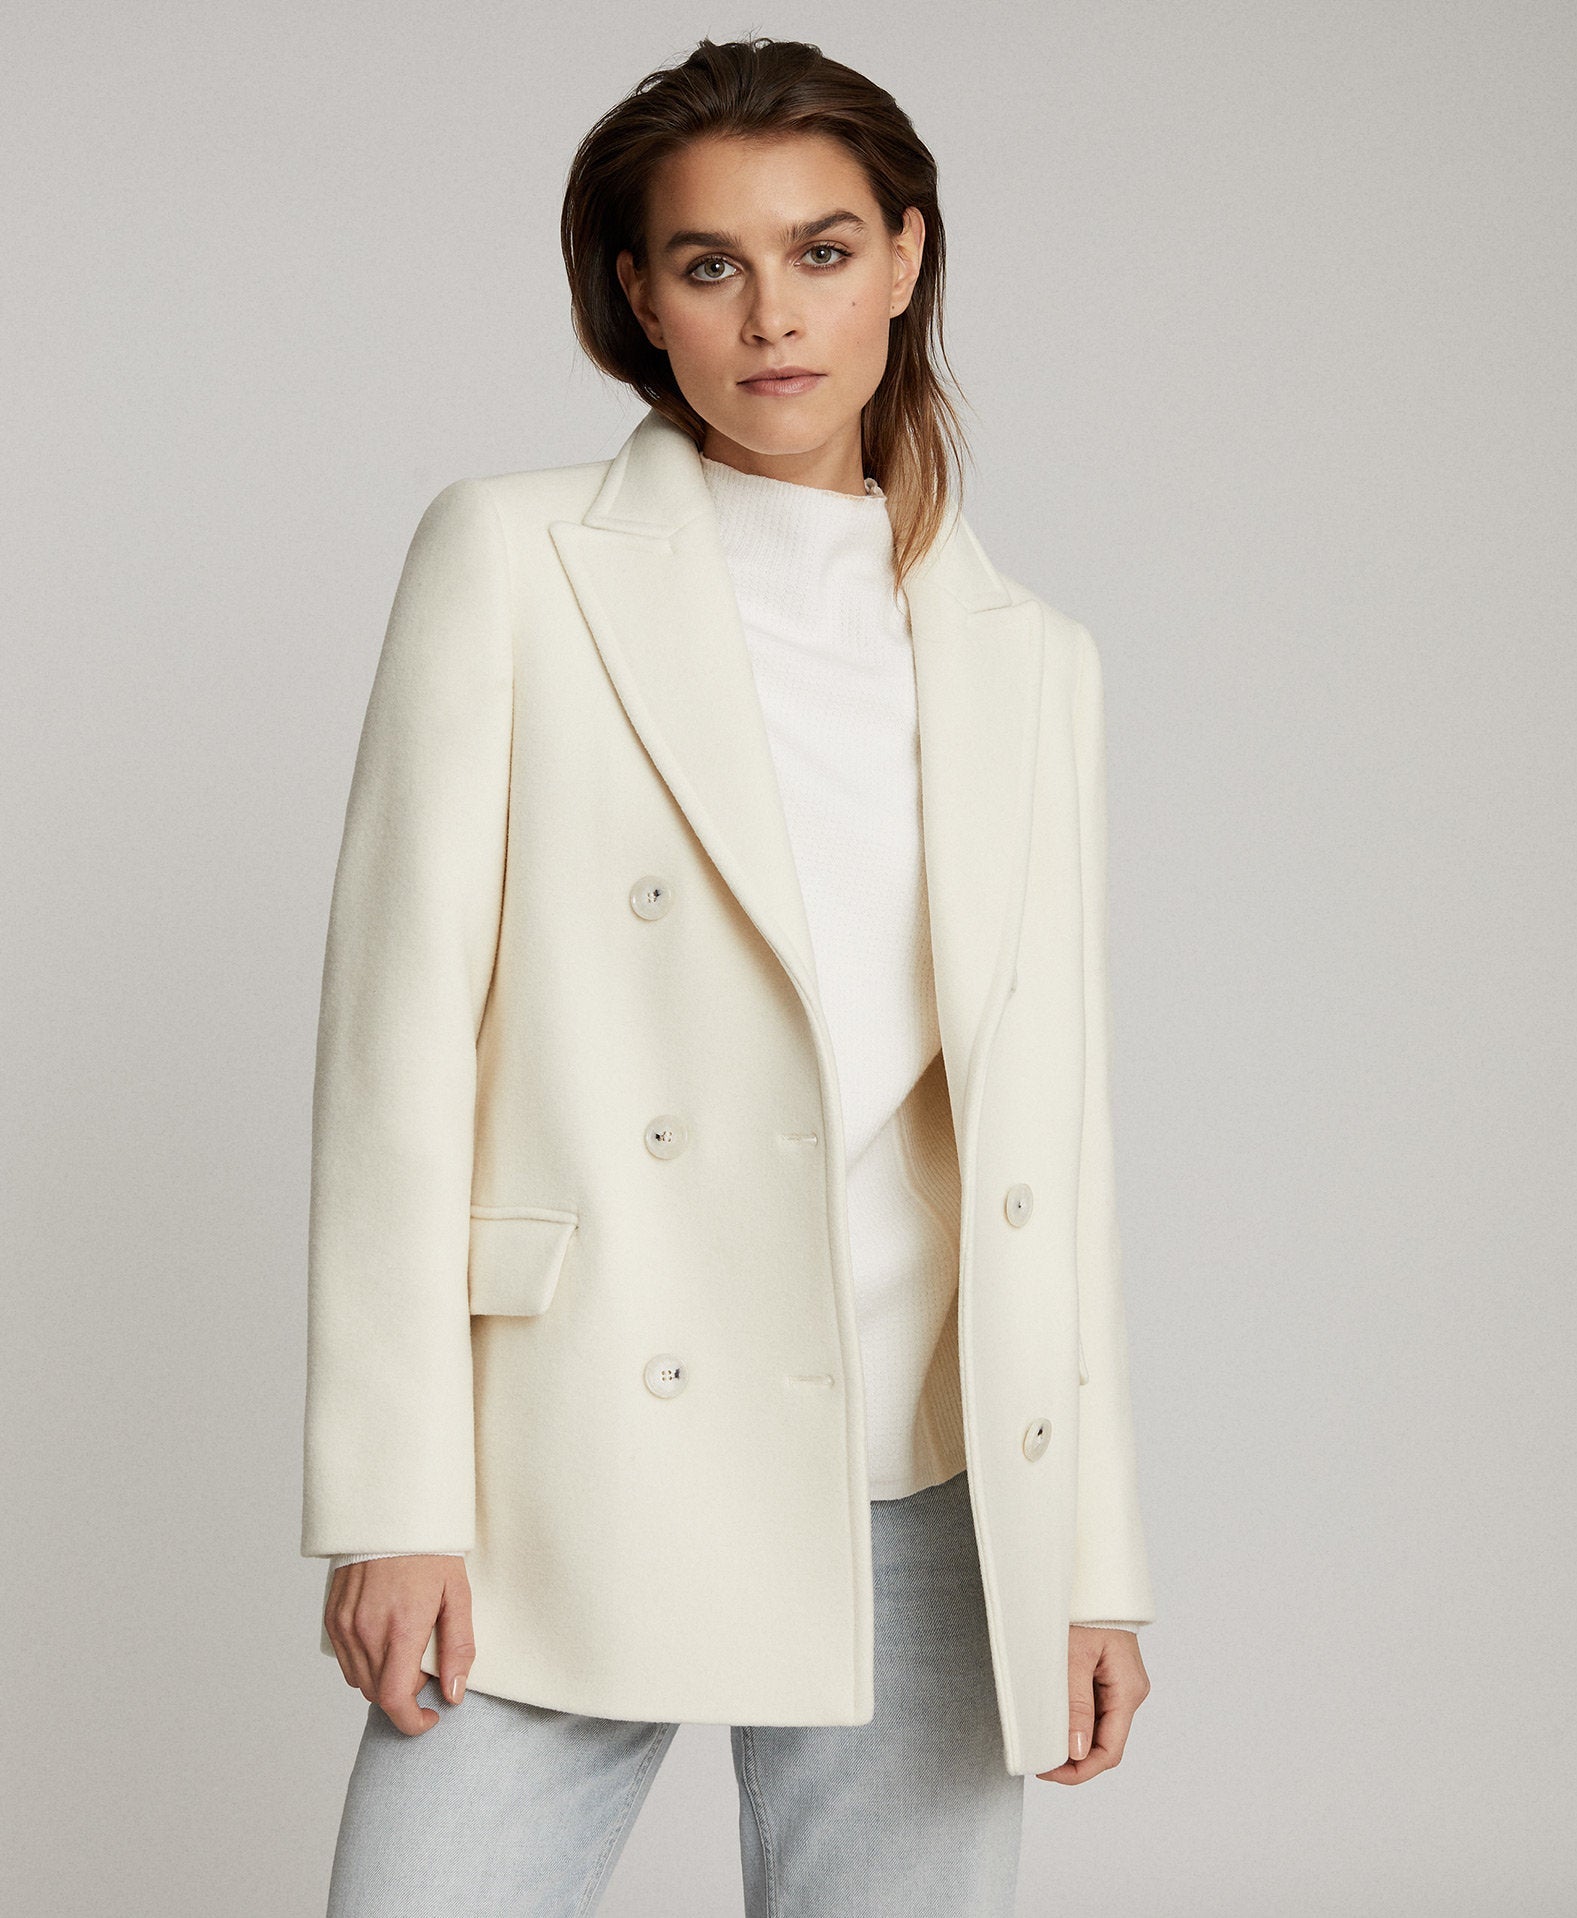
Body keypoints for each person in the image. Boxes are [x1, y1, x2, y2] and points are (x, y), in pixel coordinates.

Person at [303, 34, 1156, 1917]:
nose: (773, 315)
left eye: (822, 251)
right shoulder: (514, 558)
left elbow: (1053, 1135)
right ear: (638, 294)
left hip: (927, 1464)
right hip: (579, 1433)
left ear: (905, 258)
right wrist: (393, 1499)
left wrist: (1087, 1554)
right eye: (711, 263)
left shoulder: (1033, 660)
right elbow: (393, 1057)